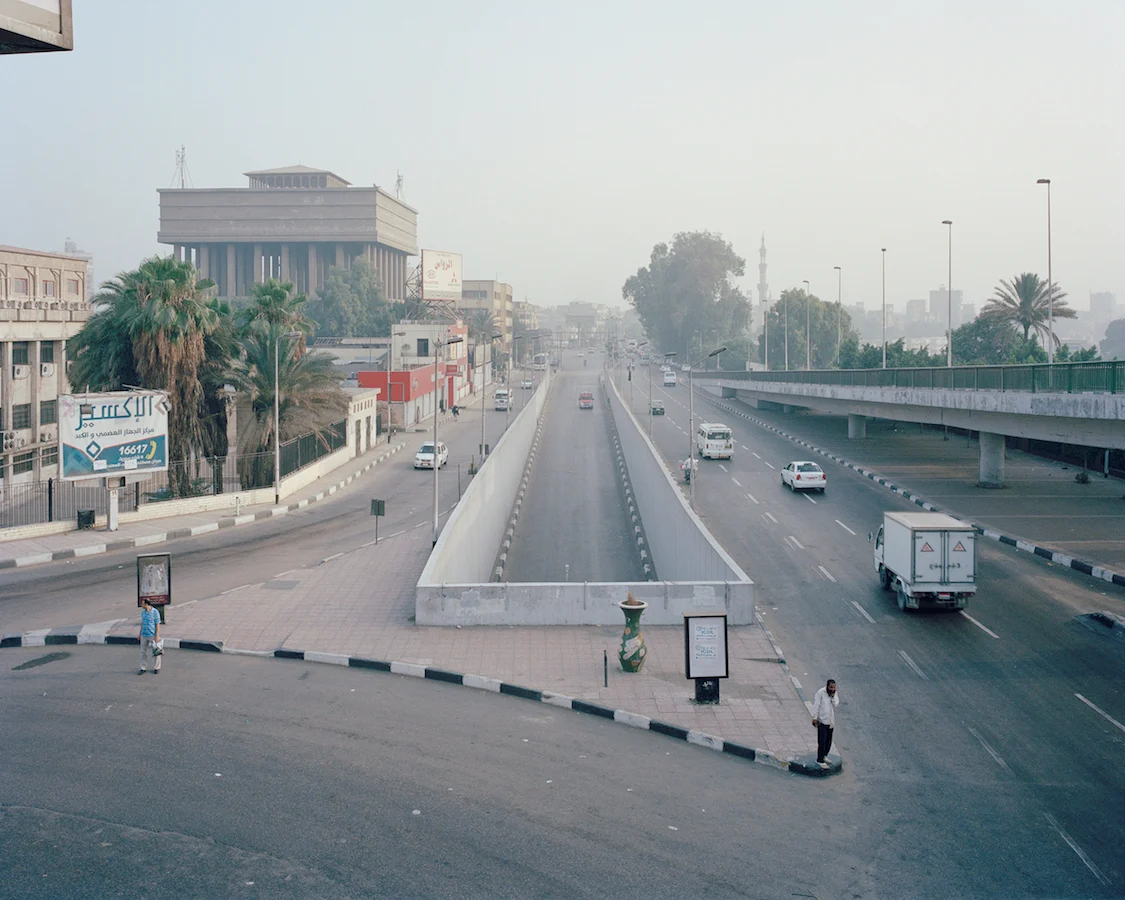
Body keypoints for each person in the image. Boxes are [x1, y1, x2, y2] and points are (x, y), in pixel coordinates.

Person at [811, 678, 838, 768]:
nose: (832, 689)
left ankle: (825, 755)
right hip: (822, 721)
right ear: (827, 686)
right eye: (831, 687)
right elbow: (816, 705)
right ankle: (820, 759)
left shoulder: (834, 694)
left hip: (830, 721)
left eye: (834, 687)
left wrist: (833, 696)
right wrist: (815, 717)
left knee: (828, 741)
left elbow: (836, 704)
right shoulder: (820, 693)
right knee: (822, 741)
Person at [138, 598, 162, 675]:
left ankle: (157, 667)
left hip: (152, 635)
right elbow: (142, 623)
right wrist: (139, 633)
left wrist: (157, 635)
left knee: (156, 651)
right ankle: (143, 667)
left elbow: (157, 624)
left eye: (142, 603)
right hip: (144, 634)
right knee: (143, 652)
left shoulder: (155, 612)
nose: (141, 605)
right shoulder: (143, 612)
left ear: (146, 604)